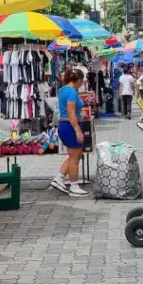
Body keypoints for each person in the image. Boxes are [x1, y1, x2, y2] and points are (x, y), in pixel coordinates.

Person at [50, 69, 88, 197]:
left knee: (74, 155)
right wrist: (77, 130)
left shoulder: (63, 89)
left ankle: (60, 178)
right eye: (82, 81)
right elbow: (71, 113)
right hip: (70, 126)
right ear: (78, 80)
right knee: (75, 158)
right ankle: (74, 186)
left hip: (65, 125)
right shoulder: (72, 92)